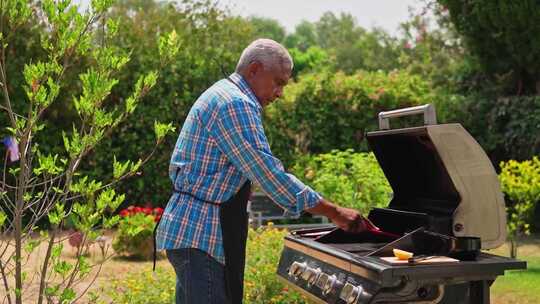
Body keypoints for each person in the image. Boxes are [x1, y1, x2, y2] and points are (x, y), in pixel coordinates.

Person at [156, 38, 367, 304]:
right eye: (278, 82)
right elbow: (270, 175)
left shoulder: (224, 93)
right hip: (203, 234)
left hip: (194, 232)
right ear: (254, 69)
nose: (280, 93)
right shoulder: (235, 103)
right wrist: (334, 212)